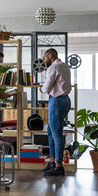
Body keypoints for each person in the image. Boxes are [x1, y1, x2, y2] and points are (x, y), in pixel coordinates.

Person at [39, 48, 71, 176]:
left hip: (56, 101)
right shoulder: (65, 66)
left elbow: (46, 87)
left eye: (44, 57)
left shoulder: (53, 67)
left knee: (56, 134)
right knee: (51, 132)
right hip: (66, 101)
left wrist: (41, 89)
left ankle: (59, 166)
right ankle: (52, 162)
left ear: (50, 55)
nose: (43, 60)